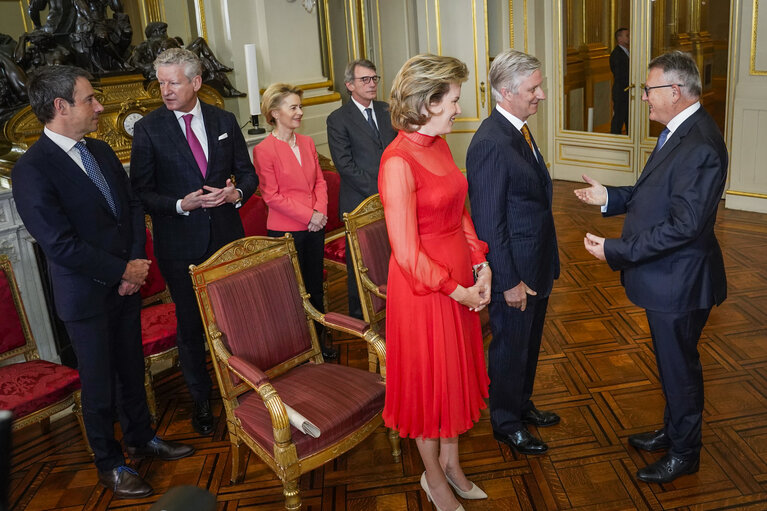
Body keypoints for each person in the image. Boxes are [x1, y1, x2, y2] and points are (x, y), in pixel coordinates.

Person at [12, 65, 194, 499]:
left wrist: (134, 262)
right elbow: (59, 244)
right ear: (60, 107)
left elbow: (131, 206)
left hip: (126, 284)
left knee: (132, 369)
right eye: (89, 99)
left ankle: (142, 437)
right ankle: (109, 463)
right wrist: (121, 271)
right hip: (87, 297)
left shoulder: (99, 150)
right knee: (97, 384)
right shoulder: (32, 170)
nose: (100, 106)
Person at [575, 50, 728, 484]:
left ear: (674, 92)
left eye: (648, 89)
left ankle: (685, 453)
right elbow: (652, 193)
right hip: (670, 277)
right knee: (671, 363)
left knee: (679, 370)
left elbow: (683, 226)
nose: (643, 97)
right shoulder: (679, 132)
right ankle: (673, 429)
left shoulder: (698, 145)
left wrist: (616, 250)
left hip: (679, 282)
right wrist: (610, 197)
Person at [380, 54, 491, 511]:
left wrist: (481, 262)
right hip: (424, 292)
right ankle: (433, 479)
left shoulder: (441, 144)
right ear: (427, 102)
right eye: (453, 100)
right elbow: (406, 253)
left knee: (454, 377)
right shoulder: (397, 161)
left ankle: (452, 463)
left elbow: (459, 209)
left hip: (459, 279)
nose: (458, 109)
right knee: (430, 386)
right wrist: (456, 288)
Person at [130, 48, 258, 435]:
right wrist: (180, 204)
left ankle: (243, 388)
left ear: (196, 82)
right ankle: (202, 400)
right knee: (191, 328)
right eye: (161, 82)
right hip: (179, 245)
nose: (165, 90)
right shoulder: (149, 128)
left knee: (235, 320)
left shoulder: (224, 120)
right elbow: (141, 193)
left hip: (225, 238)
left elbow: (247, 175)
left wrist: (235, 195)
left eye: (173, 82)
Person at [466, 49, 560, 457]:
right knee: (509, 347)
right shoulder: (490, 142)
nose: (540, 94)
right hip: (514, 272)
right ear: (506, 91)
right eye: (532, 88)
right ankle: (505, 422)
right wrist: (508, 281)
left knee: (530, 343)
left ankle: (521, 404)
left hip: (536, 262)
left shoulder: (518, 129)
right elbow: (489, 224)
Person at [252, 83, 336, 360]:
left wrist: (319, 212)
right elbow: (271, 196)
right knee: (291, 293)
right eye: (294, 107)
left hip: (315, 226)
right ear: (275, 113)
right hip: (286, 230)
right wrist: (309, 215)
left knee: (314, 286)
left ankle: (320, 341)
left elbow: (320, 182)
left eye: (300, 106)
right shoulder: (264, 150)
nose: (300, 112)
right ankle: (298, 347)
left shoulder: (308, 142)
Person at [326, 59, 397, 319]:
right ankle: (361, 315)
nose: (371, 84)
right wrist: (379, 190)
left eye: (374, 78)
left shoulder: (387, 109)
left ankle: (392, 304)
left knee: (390, 253)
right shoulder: (338, 119)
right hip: (358, 201)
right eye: (364, 79)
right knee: (362, 261)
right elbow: (344, 165)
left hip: (392, 196)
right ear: (349, 85)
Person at [610, 27, 630, 135]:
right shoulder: (616, 54)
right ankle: (614, 141)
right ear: (619, 39)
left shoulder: (628, 52)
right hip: (621, 91)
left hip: (628, 91)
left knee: (628, 118)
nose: (630, 38)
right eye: (627, 35)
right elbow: (620, 75)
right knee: (619, 119)